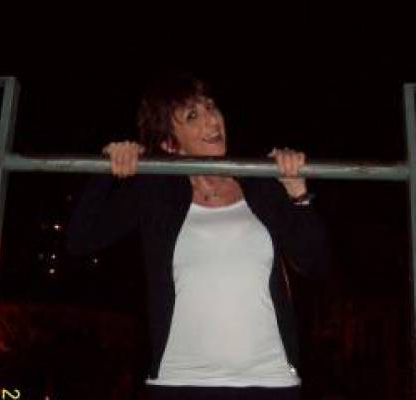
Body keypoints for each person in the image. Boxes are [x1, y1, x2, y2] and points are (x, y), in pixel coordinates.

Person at [66, 73, 327, 400]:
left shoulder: (260, 182)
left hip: (270, 381)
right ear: (169, 143)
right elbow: (80, 239)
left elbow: (315, 262)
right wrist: (106, 168)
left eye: (211, 107)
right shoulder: (156, 192)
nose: (212, 120)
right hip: (179, 382)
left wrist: (297, 192)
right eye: (193, 116)